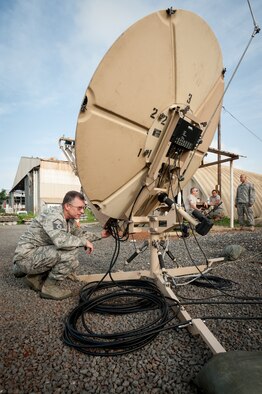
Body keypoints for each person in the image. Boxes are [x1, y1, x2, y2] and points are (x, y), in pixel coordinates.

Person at [12, 191, 110, 300]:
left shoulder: (70, 220)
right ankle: (49, 288)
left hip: (34, 255)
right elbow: (61, 240)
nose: (82, 211)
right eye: (79, 208)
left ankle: (34, 278)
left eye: (84, 208)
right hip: (25, 258)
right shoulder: (54, 216)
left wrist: (100, 234)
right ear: (67, 206)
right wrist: (84, 242)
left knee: (72, 245)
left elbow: (80, 234)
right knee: (70, 253)